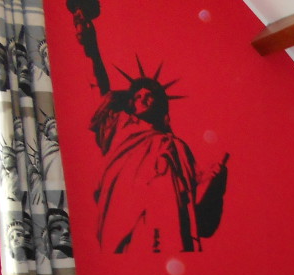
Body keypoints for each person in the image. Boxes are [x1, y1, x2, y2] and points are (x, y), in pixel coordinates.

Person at [71, 4, 228, 252]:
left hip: (170, 226)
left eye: (149, 95)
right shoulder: (119, 125)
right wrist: (91, 46)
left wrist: (215, 183)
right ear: (131, 104)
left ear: (160, 105)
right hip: (123, 217)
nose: (143, 98)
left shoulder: (177, 146)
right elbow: (98, 84)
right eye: (138, 96)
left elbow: (199, 213)